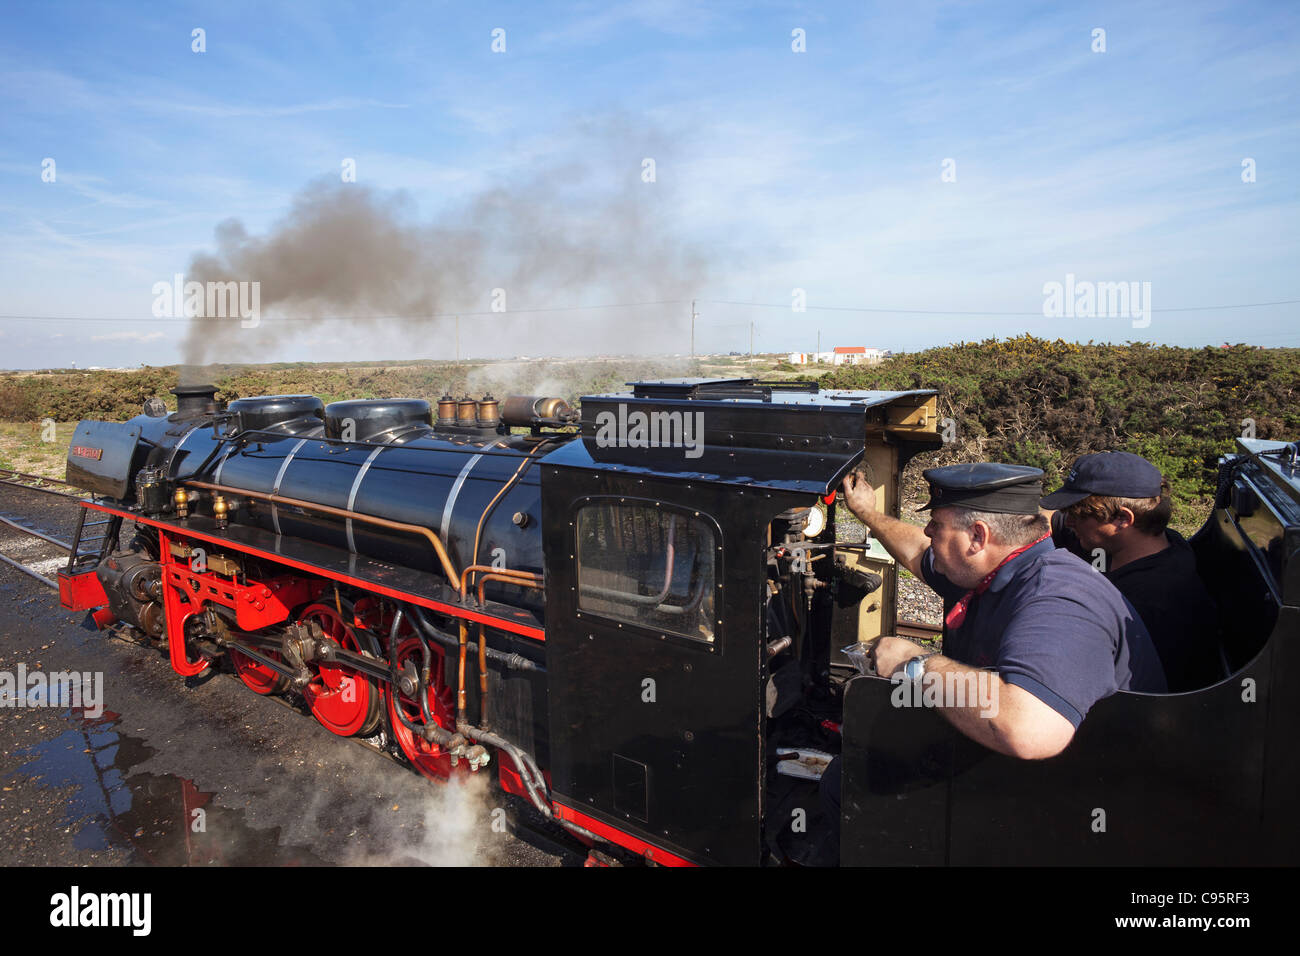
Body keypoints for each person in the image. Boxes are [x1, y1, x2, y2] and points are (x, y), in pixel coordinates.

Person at [818, 463, 1167, 847]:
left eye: (936, 523)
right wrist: (867, 512)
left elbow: (1029, 728)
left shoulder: (1059, 597)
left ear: (978, 536)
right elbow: (919, 551)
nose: (928, 532)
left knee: (850, 786)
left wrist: (914, 665)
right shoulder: (998, 567)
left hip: (1075, 800)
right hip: (1036, 774)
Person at [1041, 452, 1223, 692]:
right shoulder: (1159, 542)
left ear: (1123, 519)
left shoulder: (1145, 605)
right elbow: (1048, 516)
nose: (1070, 522)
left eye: (1077, 514)